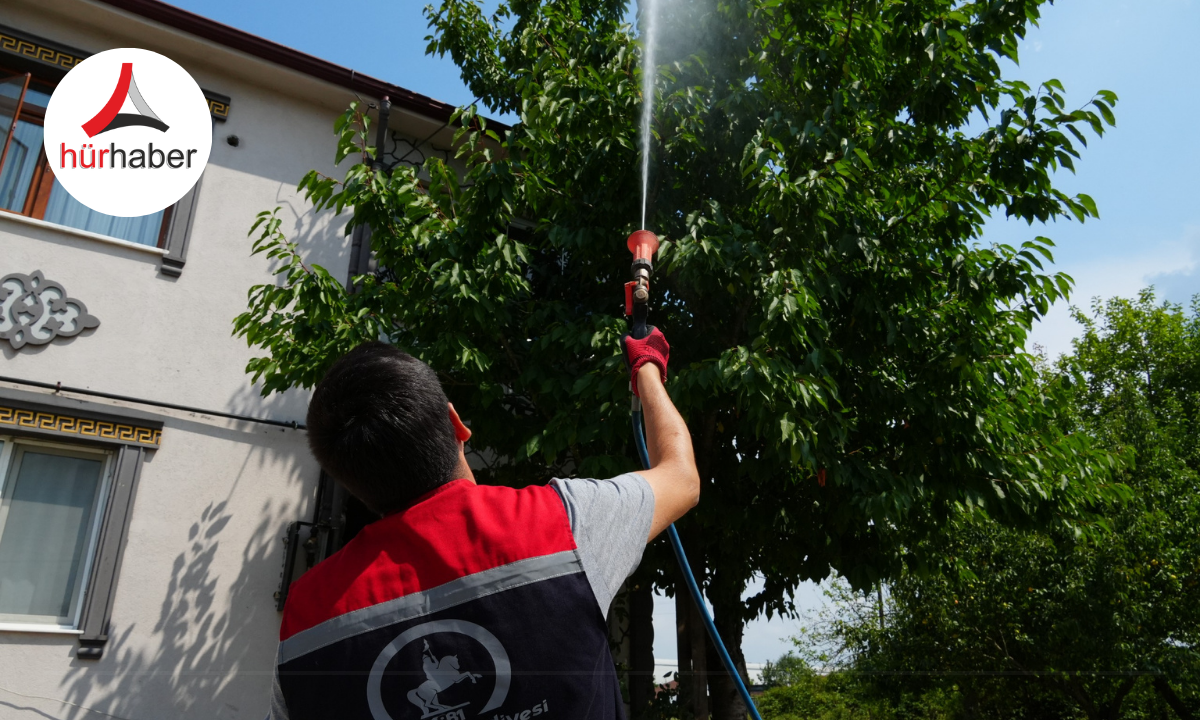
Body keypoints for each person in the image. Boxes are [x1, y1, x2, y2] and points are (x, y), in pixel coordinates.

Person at [270, 327, 697, 720]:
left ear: (348, 479)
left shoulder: (306, 617)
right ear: (457, 424)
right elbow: (680, 476)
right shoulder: (560, 523)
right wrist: (647, 370)